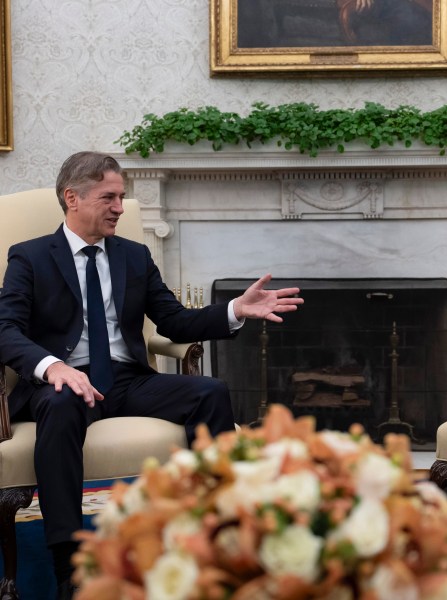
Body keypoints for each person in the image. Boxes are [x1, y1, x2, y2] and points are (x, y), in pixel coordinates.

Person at [0, 151, 304, 600]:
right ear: (73, 198)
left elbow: (174, 321)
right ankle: (69, 565)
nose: (121, 208)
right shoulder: (29, 257)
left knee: (210, 392)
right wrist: (54, 368)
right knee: (62, 407)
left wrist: (234, 310)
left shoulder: (134, 256)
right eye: (110, 197)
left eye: (122, 197)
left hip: (126, 380)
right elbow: (6, 329)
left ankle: (226, 533)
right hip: (63, 383)